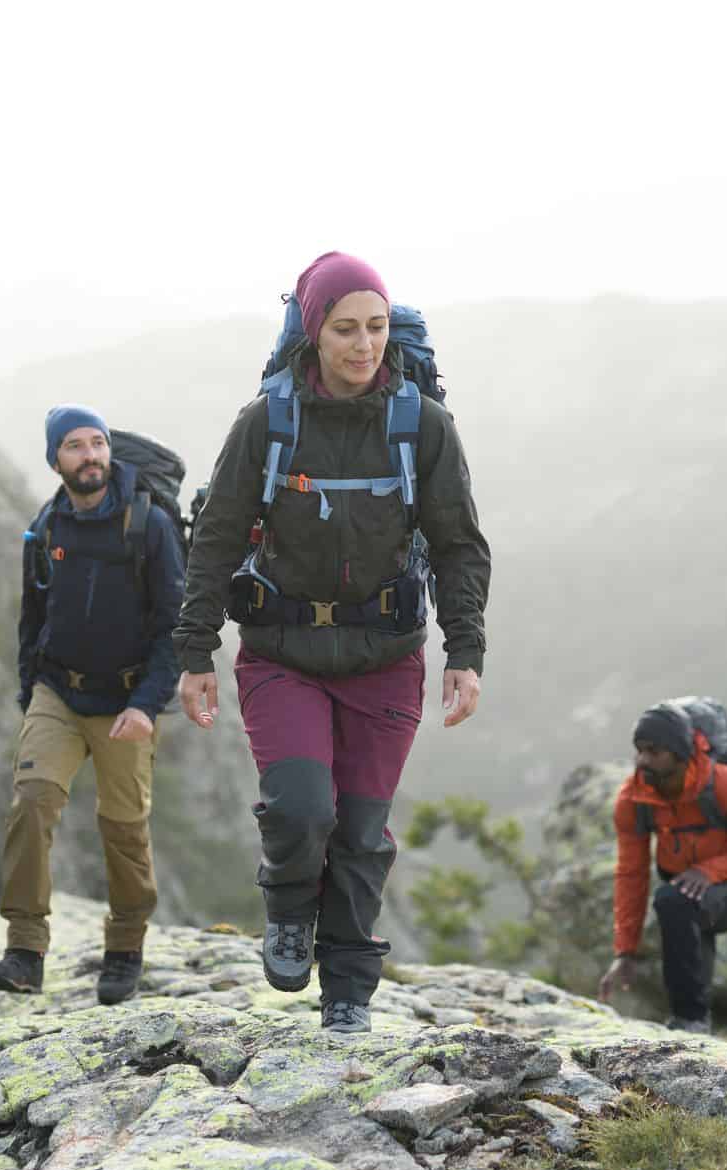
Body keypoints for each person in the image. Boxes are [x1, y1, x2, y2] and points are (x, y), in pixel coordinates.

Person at [173, 251, 490, 1034]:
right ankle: (288, 910)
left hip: (386, 659)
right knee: (301, 810)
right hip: (283, 652)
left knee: (360, 834)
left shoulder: (421, 426)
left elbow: (459, 546)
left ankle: (348, 994)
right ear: (314, 332)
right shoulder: (268, 424)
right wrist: (194, 651)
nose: (364, 345)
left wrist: (466, 651)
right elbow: (214, 539)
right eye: (345, 328)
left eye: (377, 327)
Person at [0, 405, 185, 1005]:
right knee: (33, 801)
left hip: (128, 698)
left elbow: (175, 626)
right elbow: (32, 618)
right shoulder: (47, 526)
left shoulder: (148, 525)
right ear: (56, 461)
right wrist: (31, 696)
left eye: (98, 443)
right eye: (75, 446)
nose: (91, 454)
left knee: (122, 828)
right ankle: (25, 950)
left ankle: (124, 950)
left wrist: (147, 704)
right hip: (58, 693)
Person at [598, 701, 727, 1032]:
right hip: (685, 890)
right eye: (640, 750)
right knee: (676, 902)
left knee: (674, 901)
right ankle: (692, 1022)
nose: (643, 760)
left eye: (654, 751)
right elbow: (631, 873)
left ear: (680, 752)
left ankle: (689, 1021)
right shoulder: (633, 799)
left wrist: (709, 871)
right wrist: (626, 952)